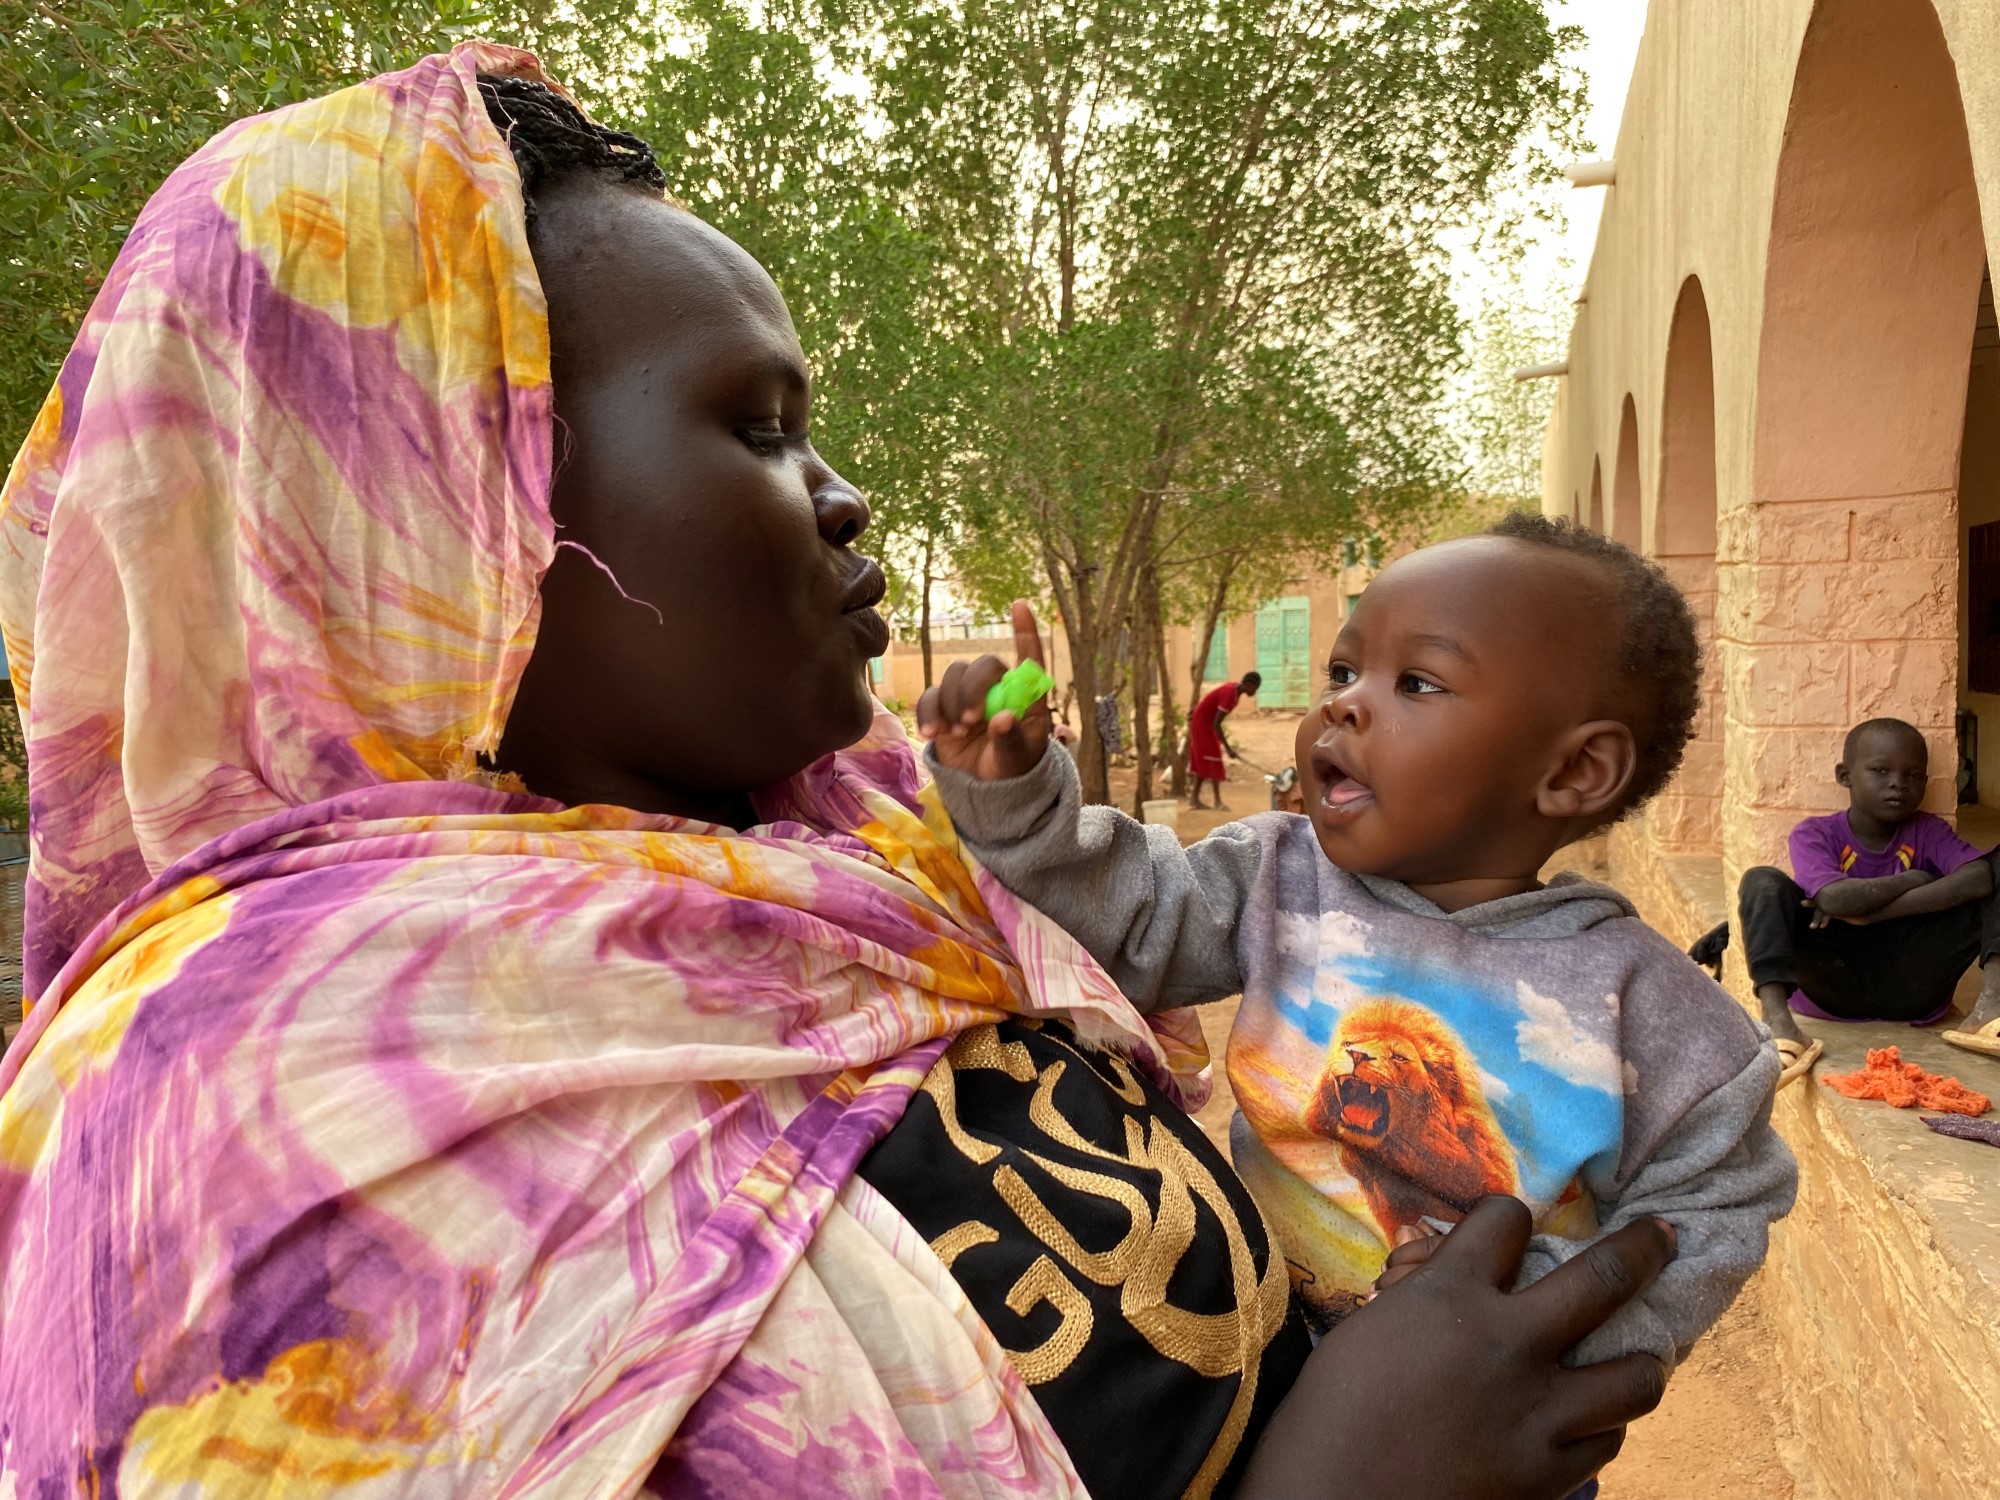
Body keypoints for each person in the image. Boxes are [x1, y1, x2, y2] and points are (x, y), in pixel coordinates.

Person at [0, 46, 1682, 1496]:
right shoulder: (231, 1152)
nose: (844, 493)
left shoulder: (870, 874)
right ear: (432, 523)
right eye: (755, 425)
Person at [921, 517, 1794, 1495]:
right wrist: (1015, 801)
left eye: (1415, 682)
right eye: (1343, 671)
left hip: (1469, 1437)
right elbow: (1128, 921)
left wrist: (1530, 1302)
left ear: (1571, 772)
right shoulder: (1276, 877)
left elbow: (1719, 1202)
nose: (1342, 705)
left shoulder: (1652, 1009)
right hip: (1240, 1374)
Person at [1738, 717, 2000, 1078]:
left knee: (1996, 865)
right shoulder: (1815, 833)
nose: (1898, 784)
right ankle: (1779, 1023)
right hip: (1833, 982)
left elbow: (1979, 878)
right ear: (1845, 776)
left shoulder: (1928, 830)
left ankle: (1991, 1007)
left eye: (1914, 775)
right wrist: (1914, 878)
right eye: (1881, 771)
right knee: (1761, 881)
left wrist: (1870, 914)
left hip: (1913, 982)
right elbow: (1837, 899)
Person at [1189, 670, 1262, 810]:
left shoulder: (1234, 692)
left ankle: (1194, 798)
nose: (1255, 692)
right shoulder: (1230, 695)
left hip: (1205, 722)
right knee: (1214, 758)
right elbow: (1216, 724)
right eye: (1255, 688)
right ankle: (1217, 802)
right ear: (1249, 684)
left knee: (1206, 759)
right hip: (1203, 723)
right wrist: (1228, 749)